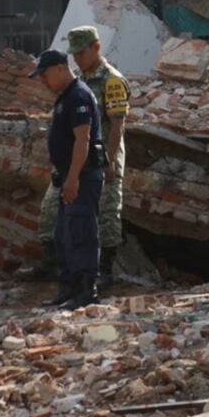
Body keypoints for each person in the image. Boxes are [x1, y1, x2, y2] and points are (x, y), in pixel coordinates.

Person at [31, 50, 106, 310]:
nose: (43, 81)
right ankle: (68, 289)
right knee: (64, 235)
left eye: (45, 75)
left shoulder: (79, 95)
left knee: (81, 233)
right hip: (68, 176)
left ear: (61, 68)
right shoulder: (65, 97)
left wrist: (73, 178)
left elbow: (83, 140)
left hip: (82, 176)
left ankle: (86, 291)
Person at [66, 26, 131, 292]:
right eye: (75, 54)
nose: (77, 59)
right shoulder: (79, 80)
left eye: (81, 53)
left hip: (104, 155)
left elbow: (117, 125)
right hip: (82, 157)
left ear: (96, 47)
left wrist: (110, 160)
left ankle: (106, 269)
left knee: (107, 212)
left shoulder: (111, 80)